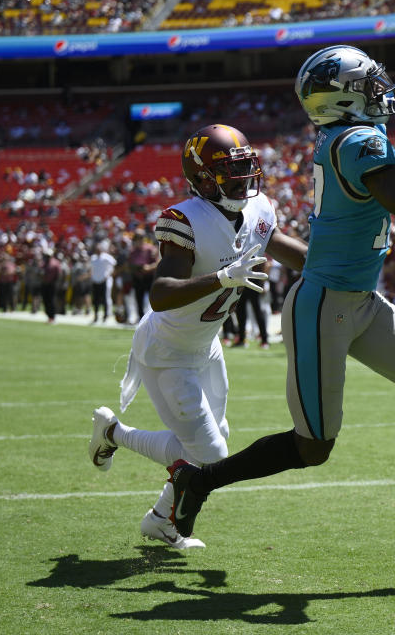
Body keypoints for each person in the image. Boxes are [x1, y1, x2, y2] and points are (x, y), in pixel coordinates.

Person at [164, 46, 395, 553]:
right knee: (313, 447)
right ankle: (196, 482)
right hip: (323, 306)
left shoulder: (355, 136)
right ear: (344, 97)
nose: (383, 89)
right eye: (370, 83)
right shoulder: (354, 141)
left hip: (359, 299)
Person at [87, 124, 308, 549]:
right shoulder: (184, 219)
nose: (243, 178)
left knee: (212, 439)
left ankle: (159, 521)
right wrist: (223, 277)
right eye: (230, 170)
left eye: (245, 167)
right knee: (212, 455)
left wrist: (332, 267)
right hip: (168, 352)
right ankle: (114, 434)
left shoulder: (259, 209)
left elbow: (277, 243)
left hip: (206, 347)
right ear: (204, 178)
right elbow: (161, 294)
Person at [90, 240, 117, 323]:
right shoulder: (93, 258)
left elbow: (114, 263)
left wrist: (108, 274)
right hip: (95, 281)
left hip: (103, 280)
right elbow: (91, 268)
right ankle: (96, 316)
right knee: (96, 300)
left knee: (105, 299)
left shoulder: (106, 257)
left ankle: (105, 316)